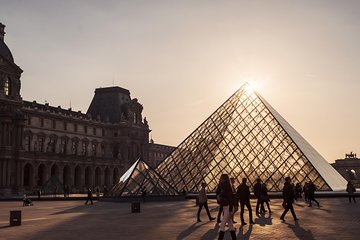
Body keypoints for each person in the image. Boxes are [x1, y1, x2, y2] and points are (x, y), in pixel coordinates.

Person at [217, 174, 236, 240]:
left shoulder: (226, 186)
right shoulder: (224, 186)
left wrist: (231, 210)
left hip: (228, 207)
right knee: (230, 225)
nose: (220, 179)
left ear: (224, 178)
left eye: (221, 178)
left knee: (222, 224)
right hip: (226, 207)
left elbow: (230, 198)